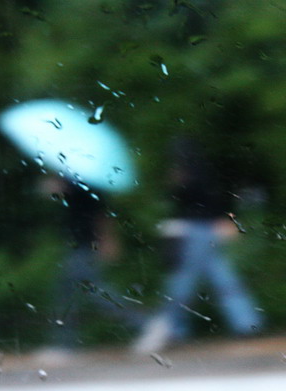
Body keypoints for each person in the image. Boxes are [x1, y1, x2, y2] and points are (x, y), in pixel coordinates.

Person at [133, 137, 263, 354]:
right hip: (210, 230)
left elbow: (184, 202)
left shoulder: (186, 175)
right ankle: (247, 322)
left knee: (182, 281)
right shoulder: (205, 171)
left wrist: (175, 184)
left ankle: (173, 328)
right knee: (223, 278)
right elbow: (217, 199)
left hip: (192, 232)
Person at [35, 176, 144, 362]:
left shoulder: (85, 183)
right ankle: (145, 323)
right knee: (81, 291)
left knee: (83, 291)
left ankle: (143, 323)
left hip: (86, 247)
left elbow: (101, 215)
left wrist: (108, 241)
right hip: (78, 246)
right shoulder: (74, 182)